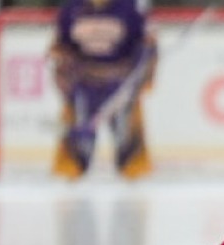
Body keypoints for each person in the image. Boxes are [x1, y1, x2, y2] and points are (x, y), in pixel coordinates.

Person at [49, 0, 157, 179]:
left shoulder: (129, 7)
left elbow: (146, 45)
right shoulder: (72, 7)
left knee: (132, 159)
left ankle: (134, 174)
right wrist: (62, 71)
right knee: (72, 163)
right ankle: (71, 171)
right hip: (82, 86)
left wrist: (144, 74)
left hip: (121, 86)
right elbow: (61, 46)